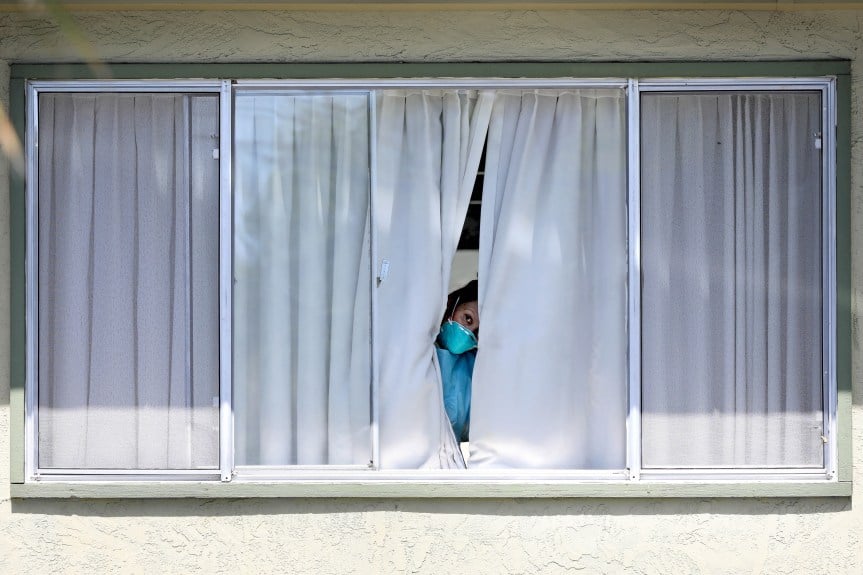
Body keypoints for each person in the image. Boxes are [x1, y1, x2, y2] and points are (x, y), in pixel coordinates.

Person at [435, 280, 479, 443]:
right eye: (468, 319)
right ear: (453, 303)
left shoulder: (475, 368)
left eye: (477, 332)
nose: (469, 333)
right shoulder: (414, 347)